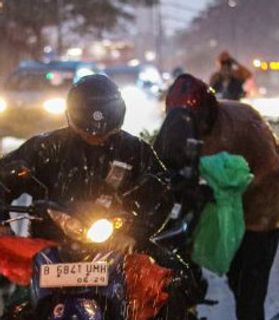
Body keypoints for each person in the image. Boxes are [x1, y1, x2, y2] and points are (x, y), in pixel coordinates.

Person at [0, 74, 202, 319]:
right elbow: (4, 177)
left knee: (173, 285)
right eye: (87, 131)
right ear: (72, 119)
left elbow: (160, 193)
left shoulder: (135, 151)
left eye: (104, 132)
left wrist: (133, 232)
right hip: (49, 248)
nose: (96, 136)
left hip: (119, 244)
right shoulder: (45, 149)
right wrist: (3, 223)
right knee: (16, 308)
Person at [163, 73, 279, 320]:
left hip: (264, 208)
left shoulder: (242, 122)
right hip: (225, 211)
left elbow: (269, 169)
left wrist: (221, 187)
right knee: (236, 277)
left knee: (251, 286)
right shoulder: (180, 129)